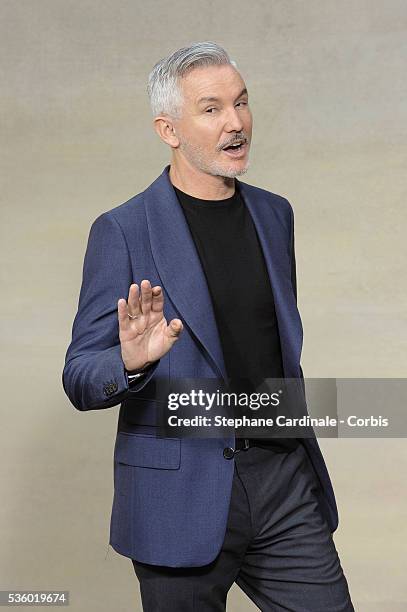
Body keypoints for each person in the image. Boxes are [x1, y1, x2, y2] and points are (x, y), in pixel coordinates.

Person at [63, 41, 354, 611]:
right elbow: (79, 375)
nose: (237, 122)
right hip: (180, 494)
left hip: (282, 478)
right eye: (212, 109)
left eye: (241, 102)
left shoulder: (275, 214)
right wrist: (131, 360)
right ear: (168, 130)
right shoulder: (122, 230)